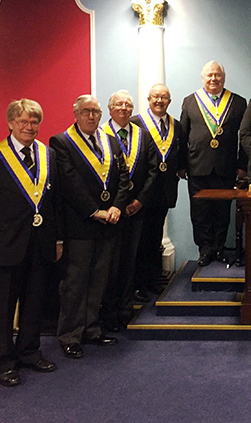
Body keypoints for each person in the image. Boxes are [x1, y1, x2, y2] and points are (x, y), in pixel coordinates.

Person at [0, 99, 62, 386]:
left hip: (40, 243)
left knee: (34, 303)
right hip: (4, 246)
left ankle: (29, 352)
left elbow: (54, 203)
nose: (29, 127)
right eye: (23, 121)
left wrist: (58, 239)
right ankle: (3, 362)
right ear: (10, 123)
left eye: (34, 122)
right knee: (3, 308)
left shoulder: (48, 155)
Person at [51, 95, 130, 359]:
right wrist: (94, 211)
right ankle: (70, 335)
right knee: (75, 283)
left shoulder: (110, 141)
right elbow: (69, 182)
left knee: (99, 280)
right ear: (75, 114)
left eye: (96, 112)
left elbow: (123, 177)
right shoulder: (61, 142)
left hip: (109, 223)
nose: (92, 116)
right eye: (86, 111)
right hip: (80, 224)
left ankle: (91, 329)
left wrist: (117, 206)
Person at [180, 61, 247, 267]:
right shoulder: (190, 101)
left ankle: (218, 248)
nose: (213, 78)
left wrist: (242, 165)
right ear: (202, 78)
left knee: (222, 211)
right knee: (199, 212)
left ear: (223, 78)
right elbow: (182, 136)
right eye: (209, 75)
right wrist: (181, 165)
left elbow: (244, 137)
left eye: (217, 75)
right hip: (197, 167)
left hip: (226, 167)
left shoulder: (238, 102)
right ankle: (205, 249)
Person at [101, 90, 157, 328]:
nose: (124, 108)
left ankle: (125, 310)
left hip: (135, 209)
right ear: (110, 108)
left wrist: (140, 201)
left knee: (129, 262)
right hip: (109, 211)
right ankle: (107, 312)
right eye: (119, 104)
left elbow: (153, 171)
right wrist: (115, 204)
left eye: (128, 105)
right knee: (109, 264)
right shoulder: (100, 134)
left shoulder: (143, 135)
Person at [131, 84, 186, 295]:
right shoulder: (136, 124)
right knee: (140, 239)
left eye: (164, 98)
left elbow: (180, 154)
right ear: (148, 99)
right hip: (142, 191)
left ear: (169, 101)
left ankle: (153, 279)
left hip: (164, 190)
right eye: (156, 97)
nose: (159, 101)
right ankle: (139, 283)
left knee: (154, 237)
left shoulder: (176, 125)